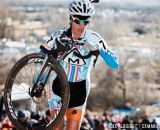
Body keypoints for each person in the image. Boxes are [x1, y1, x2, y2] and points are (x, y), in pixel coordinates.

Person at [41, 0, 119, 129]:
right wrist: (41, 80)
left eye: (86, 22)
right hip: (57, 86)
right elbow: (40, 56)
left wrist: (99, 50)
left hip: (80, 89)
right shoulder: (59, 36)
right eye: (78, 21)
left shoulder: (95, 38)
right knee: (57, 127)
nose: (81, 25)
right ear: (71, 19)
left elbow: (115, 64)